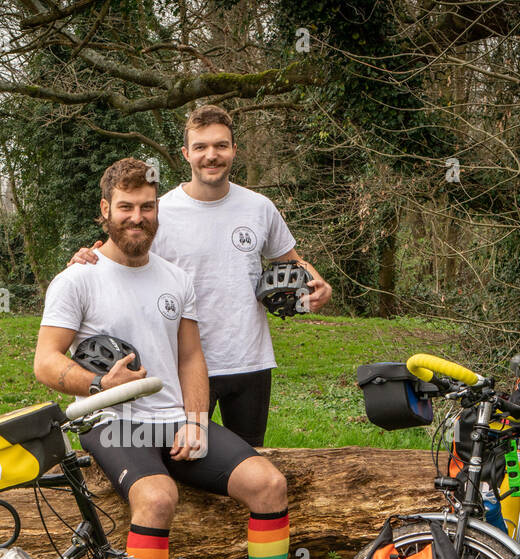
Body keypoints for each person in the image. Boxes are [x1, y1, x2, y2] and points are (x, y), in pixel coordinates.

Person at [34, 157, 321, 559]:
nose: (137, 216)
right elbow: (45, 362)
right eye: (126, 206)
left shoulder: (174, 278)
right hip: (110, 420)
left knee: (269, 484)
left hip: (172, 421)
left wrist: (193, 419)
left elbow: (191, 357)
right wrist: (100, 382)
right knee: (159, 497)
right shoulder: (77, 280)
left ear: (156, 211)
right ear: (105, 210)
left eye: (146, 206)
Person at [69, 104, 332, 449]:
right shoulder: (160, 211)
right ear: (186, 154)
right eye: (201, 147)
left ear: (234, 150)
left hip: (248, 359)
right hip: (183, 363)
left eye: (221, 146)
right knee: (187, 458)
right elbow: (120, 256)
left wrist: (319, 284)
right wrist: (84, 258)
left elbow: (293, 261)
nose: (212, 155)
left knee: (251, 457)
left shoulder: (259, 207)